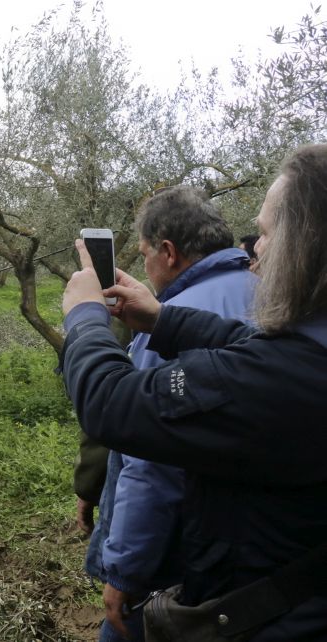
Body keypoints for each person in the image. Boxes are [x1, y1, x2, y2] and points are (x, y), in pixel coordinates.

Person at [61, 144, 327, 639]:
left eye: (266, 234)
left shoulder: (272, 379)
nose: (255, 250)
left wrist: (84, 316)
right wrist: (162, 320)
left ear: (306, 246)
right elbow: (250, 343)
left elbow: (112, 406)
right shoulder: (306, 354)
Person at [79, 186, 257, 641]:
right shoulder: (271, 293)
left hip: (178, 554)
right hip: (254, 553)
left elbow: (151, 461)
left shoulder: (172, 323)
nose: (144, 267)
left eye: (144, 255)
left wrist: (124, 572)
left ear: (168, 252)